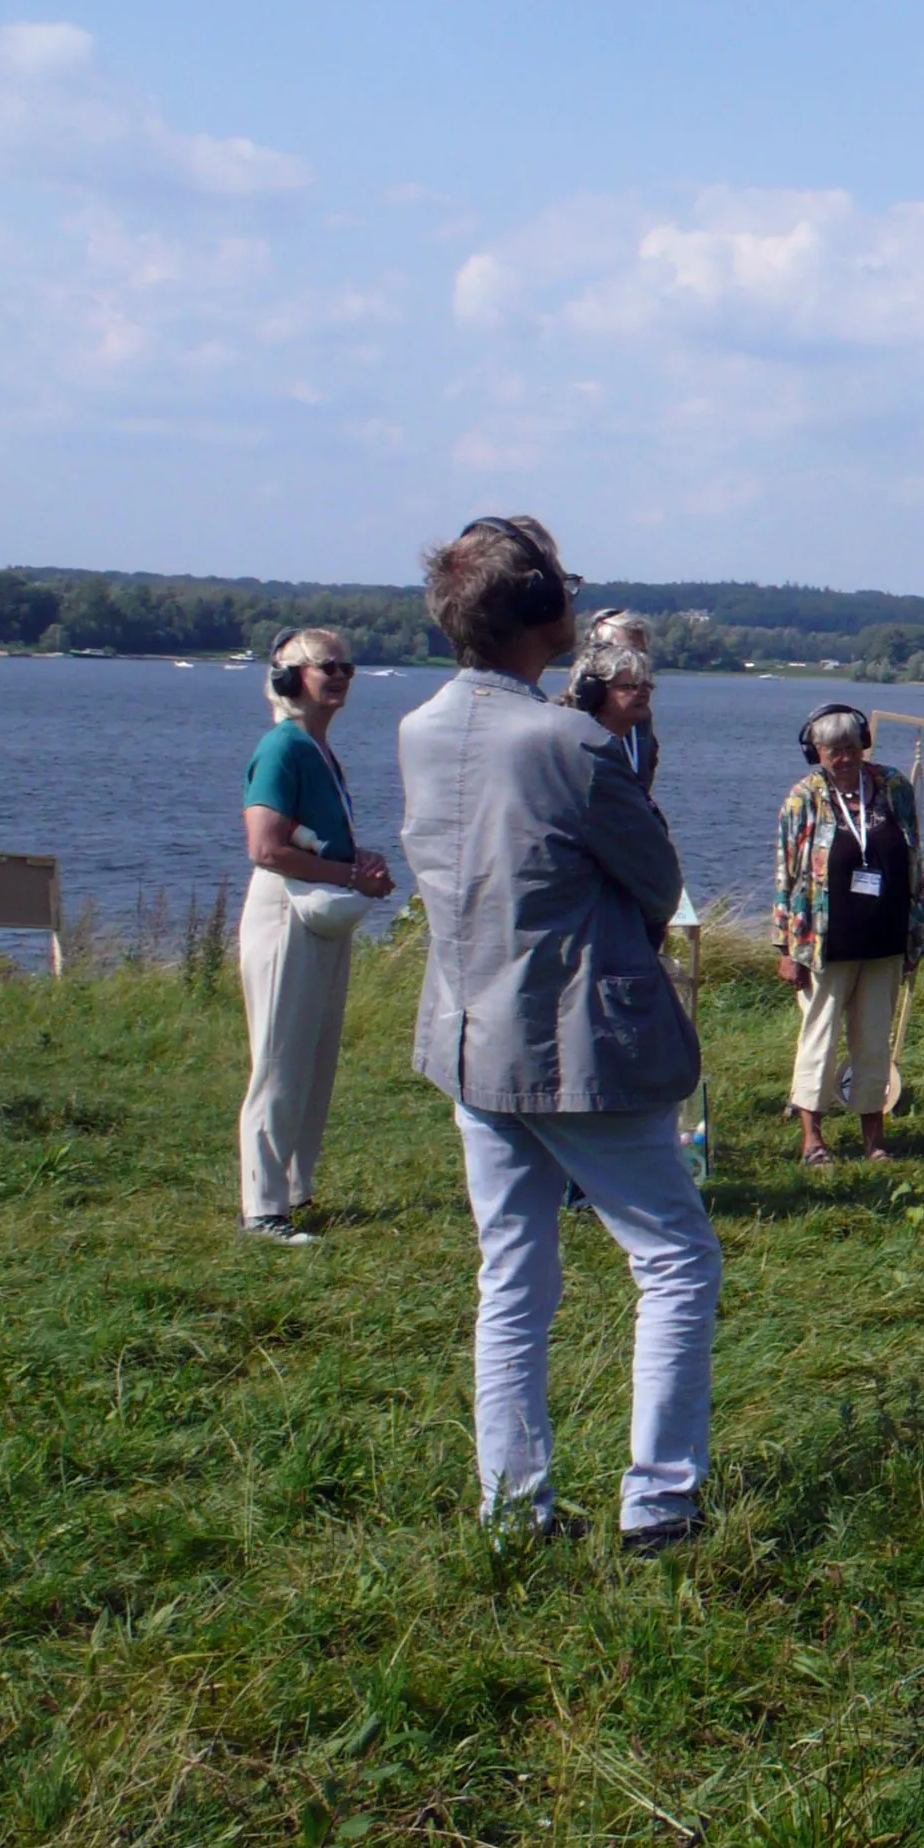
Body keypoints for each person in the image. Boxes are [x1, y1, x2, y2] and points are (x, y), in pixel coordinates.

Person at [396, 515, 718, 1555]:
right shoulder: (567, 740)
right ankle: (660, 1504)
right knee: (676, 1261)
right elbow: (658, 880)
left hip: (470, 1042)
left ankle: (514, 1508)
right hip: (580, 1046)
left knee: (514, 1274)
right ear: (545, 612)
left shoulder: (420, 729)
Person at [234, 626, 392, 1245]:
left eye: (349, 666)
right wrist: (352, 873)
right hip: (284, 916)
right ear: (289, 677)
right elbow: (265, 847)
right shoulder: (281, 749)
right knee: (278, 1059)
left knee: (315, 1058)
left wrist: (358, 863)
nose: (343, 675)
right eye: (330, 666)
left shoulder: (317, 750)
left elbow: (314, 841)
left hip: (320, 913)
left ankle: (295, 1190)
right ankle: (262, 1208)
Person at [773, 705, 924, 1165]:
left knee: (874, 1040)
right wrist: (786, 945)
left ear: (864, 744)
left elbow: (914, 862)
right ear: (815, 753)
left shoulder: (894, 787)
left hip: (884, 940)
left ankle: (873, 1141)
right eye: (832, 750)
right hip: (824, 944)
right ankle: (812, 1140)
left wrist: (916, 933)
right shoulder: (804, 798)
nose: (843, 758)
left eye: (850, 747)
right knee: (819, 1036)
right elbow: (785, 875)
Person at [573, 610, 660, 788]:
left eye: (642, 653)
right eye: (626, 653)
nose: (637, 662)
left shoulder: (640, 717)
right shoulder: (566, 716)